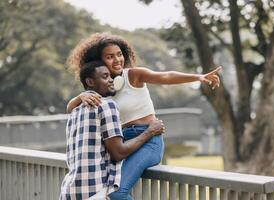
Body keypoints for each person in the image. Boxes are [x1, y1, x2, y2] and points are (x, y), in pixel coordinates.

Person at [66, 32, 221, 200]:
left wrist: (198, 77)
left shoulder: (133, 75)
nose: (117, 60)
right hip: (122, 145)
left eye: (119, 54)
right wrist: (80, 97)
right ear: (99, 60)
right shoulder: (102, 87)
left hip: (149, 140)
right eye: (110, 57)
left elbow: (165, 76)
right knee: (104, 191)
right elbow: (70, 109)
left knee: (116, 193)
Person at [60, 61, 164, 200]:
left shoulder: (75, 111)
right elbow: (118, 153)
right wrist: (150, 131)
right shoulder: (107, 106)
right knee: (117, 194)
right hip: (94, 192)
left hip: (70, 191)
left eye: (110, 76)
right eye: (105, 76)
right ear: (90, 81)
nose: (111, 80)